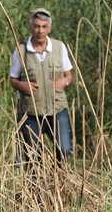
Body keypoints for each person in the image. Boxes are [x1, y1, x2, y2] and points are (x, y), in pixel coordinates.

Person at [9, 8, 74, 162]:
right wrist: (21, 85)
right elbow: (12, 79)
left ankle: (57, 180)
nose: (40, 31)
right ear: (31, 27)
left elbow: (69, 75)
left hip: (57, 109)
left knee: (64, 150)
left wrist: (63, 82)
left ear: (49, 28)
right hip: (31, 111)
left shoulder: (59, 47)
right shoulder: (21, 50)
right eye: (37, 26)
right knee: (33, 157)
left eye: (44, 27)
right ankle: (35, 185)